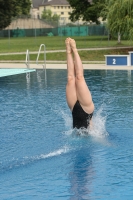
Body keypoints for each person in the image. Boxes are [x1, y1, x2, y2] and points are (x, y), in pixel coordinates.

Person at [65, 37, 94, 129]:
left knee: (70, 78)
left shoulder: (90, 135)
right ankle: (74, 50)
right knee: (79, 77)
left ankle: (69, 52)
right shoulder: (91, 134)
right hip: (87, 110)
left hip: (74, 108)